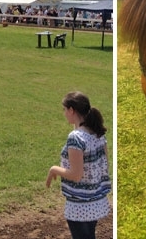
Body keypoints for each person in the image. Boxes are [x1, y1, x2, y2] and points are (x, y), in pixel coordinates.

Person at [46, 91, 111, 239]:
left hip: (80, 205)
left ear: (71, 110)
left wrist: (54, 169)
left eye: (65, 110)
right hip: (96, 202)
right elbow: (104, 164)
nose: (64, 114)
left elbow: (76, 175)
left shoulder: (75, 138)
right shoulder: (97, 133)